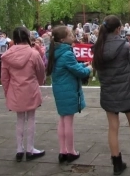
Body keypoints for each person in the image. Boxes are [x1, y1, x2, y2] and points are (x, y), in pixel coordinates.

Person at [93, 15, 130, 176]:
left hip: (108, 93)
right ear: (119, 29)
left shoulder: (98, 47)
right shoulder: (125, 46)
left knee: (113, 128)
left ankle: (117, 164)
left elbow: (98, 73)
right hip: (127, 92)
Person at [46, 26, 92, 164]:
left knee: (62, 120)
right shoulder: (66, 54)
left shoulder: (55, 52)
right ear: (62, 39)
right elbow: (79, 72)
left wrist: (82, 65)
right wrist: (89, 68)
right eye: (70, 34)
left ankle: (62, 151)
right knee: (69, 122)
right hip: (69, 90)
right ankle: (71, 151)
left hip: (59, 89)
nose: (73, 36)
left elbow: (71, 68)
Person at [1, 27, 46, 161]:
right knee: (31, 118)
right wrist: (39, 82)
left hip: (15, 89)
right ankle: (30, 149)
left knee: (19, 119)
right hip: (31, 88)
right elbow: (40, 71)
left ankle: (19, 149)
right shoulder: (33, 54)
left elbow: (4, 78)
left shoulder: (7, 55)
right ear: (27, 36)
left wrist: (7, 91)